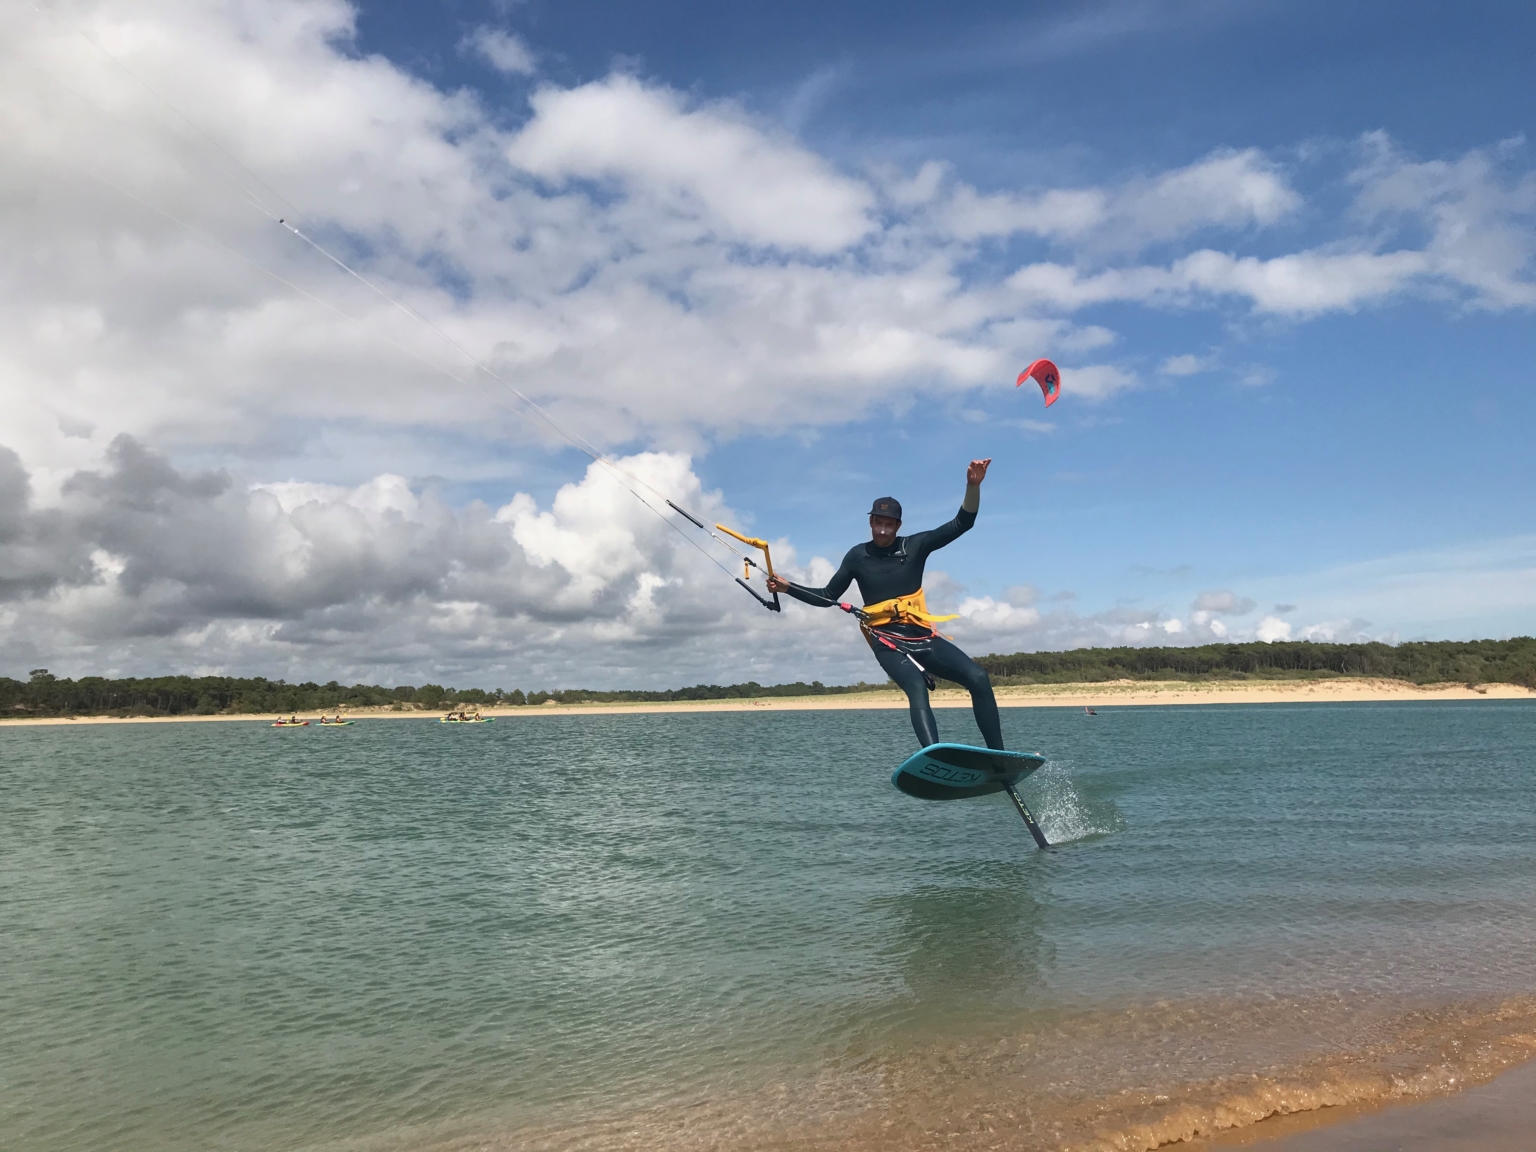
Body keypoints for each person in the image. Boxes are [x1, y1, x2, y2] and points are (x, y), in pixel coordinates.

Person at [766, 459, 1004, 751]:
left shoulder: (915, 546)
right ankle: (934, 756)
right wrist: (788, 588)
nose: (882, 530)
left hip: (920, 634)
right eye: (877, 523)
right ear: (871, 522)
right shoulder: (857, 556)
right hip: (885, 640)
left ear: (898, 525)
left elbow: (962, 523)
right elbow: (828, 596)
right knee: (917, 688)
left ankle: (998, 756)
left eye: (888, 525)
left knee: (978, 677)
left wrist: (972, 486)